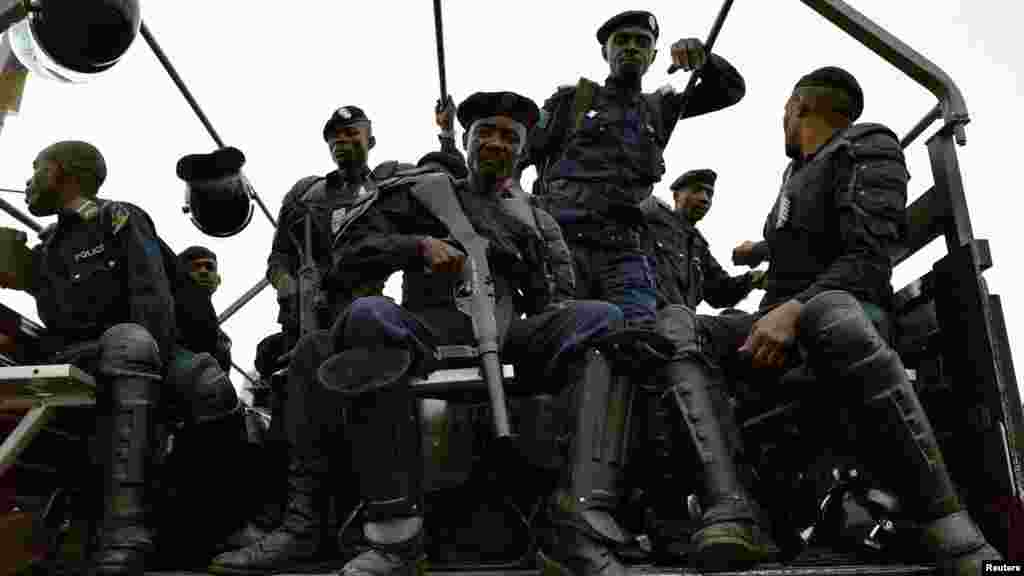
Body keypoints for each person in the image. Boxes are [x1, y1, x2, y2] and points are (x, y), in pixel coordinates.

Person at [667, 67, 1002, 574]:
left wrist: (795, 310)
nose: (782, 119)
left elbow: (866, 262)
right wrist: (758, 252)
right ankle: (734, 511)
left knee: (831, 310)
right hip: (779, 318)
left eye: (785, 110)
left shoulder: (867, 144)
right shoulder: (794, 175)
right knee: (677, 323)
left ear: (798, 104)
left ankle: (947, 524)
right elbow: (800, 239)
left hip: (845, 316)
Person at [4, 140, 175, 575]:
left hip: (123, 354)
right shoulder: (49, 245)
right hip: (68, 356)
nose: (28, 180)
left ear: (63, 173)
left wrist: (159, 366)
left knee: (131, 341)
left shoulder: (118, 218)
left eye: (36, 168)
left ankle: (126, 529)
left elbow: (151, 295)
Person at [523, 10, 745, 329]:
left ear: (653, 55)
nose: (631, 48)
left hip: (624, 248)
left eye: (641, 42)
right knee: (567, 334)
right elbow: (518, 158)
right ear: (605, 51)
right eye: (621, 41)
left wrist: (705, 60)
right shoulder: (572, 101)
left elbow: (730, 90)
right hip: (565, 245)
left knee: (642, 338)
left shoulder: (658, 109)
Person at [643, 168, 764, 311]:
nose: (704, 198)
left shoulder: (698, 246)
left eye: (709, 194)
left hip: (681, 324)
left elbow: (720, 293)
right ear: (676, 196)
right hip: (645, 316)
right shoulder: (652, 216)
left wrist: (752, 279)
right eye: (696, 190)